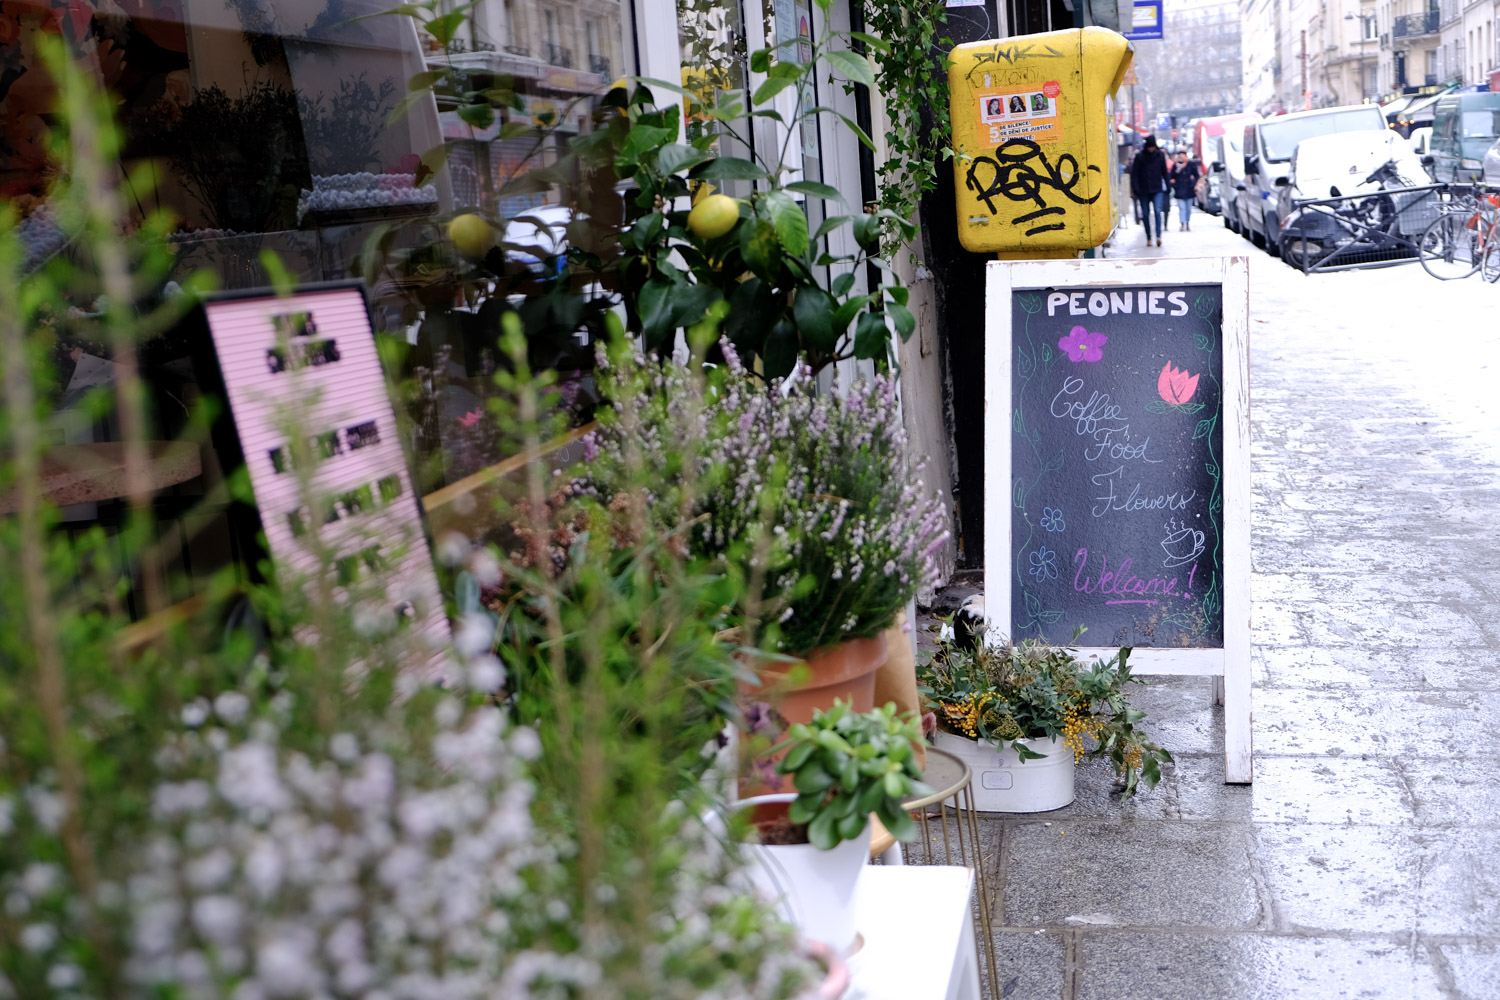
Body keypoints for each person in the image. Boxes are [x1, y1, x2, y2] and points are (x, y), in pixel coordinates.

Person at [1129, 135, 1169, 247]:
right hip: (1143, 190)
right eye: (1150, 147)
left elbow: (1164, 171)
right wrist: (1135, 188)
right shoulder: (1140, 156)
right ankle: (1149, 237)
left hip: (1157, 189)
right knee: (1145, 214)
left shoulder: (1160, 155)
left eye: (1153, 147)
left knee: (1157, 211)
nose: (1151, 149)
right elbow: (1135, 174)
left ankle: (1158, 236)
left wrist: (1168, 185)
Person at [1168, 149, 1203, 231]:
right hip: (1179, 190)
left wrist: (1193, 183)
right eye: (1180, 155)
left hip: (1189, 190)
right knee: (1181, 208)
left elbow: (1197, 175)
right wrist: (1174, 184)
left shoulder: (1190, 164)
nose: (1181, 156)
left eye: (1183, 155)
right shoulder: (1175, 166)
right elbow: (1171, 176)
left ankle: (1187, 222)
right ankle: (1182, 223)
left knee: (1188, 208)